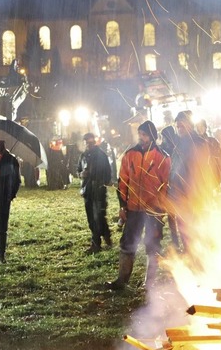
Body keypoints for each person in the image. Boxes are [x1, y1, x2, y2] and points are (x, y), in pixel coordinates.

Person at [106, 121, 171, 290]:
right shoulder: (130, 154)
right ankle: (122, 280)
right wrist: (122, 206)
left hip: (153, 209)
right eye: (140, 134)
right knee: (128, 242)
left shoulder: (162, 157)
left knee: (153, 244)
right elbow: (123, 182)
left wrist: (160, 209)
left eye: (145, 135)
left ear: (152, 137)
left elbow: (165, 185)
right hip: (134, 208)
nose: (141, 137)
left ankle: (149, 283)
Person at [166, 111, 210, 253]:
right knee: (184, 228)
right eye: (177, 126)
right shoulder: (178, 144)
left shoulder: (198, 143)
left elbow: (203, 170)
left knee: (195, 228)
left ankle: (200, 258)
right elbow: (175, 168)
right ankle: (190, 255)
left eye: (182, 126)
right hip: (179, 194)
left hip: (193, 195)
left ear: (190, 125)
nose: (179, 128)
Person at [78, 133, 113, 253]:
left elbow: (108, 173)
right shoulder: (83, 156)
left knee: (97, 217)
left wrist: (101, 182)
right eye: (87, 142)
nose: (89, 144)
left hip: (98, 190)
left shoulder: (101, 156)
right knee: (93, 217)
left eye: (91, 142)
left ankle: (96, 244)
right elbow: (78, 170)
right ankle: (106, 235)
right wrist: (81, 174)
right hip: (88, 190)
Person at [195, 118, 221, 189]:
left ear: (205, 128)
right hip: (198, 177)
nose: (199, 129)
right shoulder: (193, 142)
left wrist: (218, 180)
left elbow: (219, 161)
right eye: (198, 127)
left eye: (201, 126)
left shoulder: (212, 141)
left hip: (211, 175)